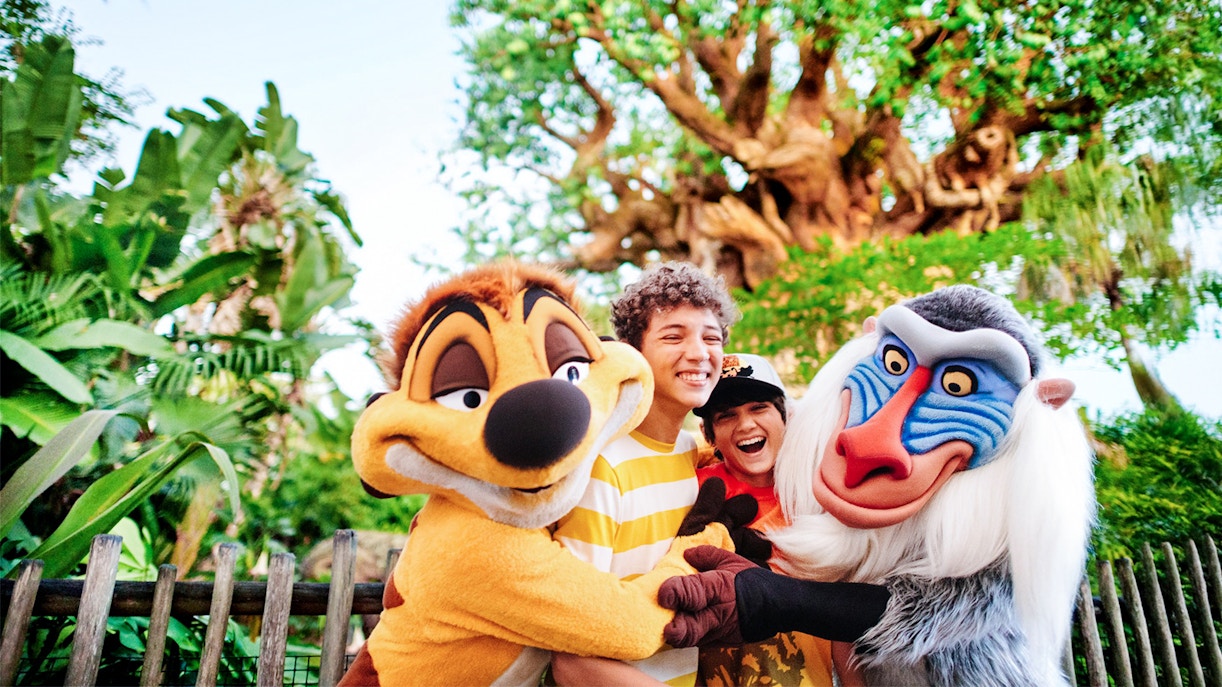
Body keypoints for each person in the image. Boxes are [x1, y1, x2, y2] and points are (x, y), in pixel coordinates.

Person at [550, 261, 738, 686]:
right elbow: (570, 651)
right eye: (673, 336)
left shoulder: (696, 456)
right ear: (632, 354)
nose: (699, 352)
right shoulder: (601, 466)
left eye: (712, 338)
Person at [692, 353, 837, 687]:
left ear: (785, 415)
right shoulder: (691, 489)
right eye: (727, 415)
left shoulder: (821, 491)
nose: (745, 424)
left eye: (758, 408)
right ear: (708, 434)